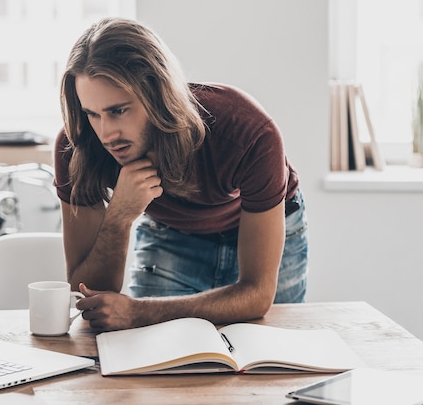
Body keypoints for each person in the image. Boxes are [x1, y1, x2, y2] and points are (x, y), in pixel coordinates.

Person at [53, 17, 308, 332]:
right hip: (172, 231)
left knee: (269, 355)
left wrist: (140, 312)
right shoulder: (77, 146)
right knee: (154, 355)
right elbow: (87, 292)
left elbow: (257, 294)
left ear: (157, 94)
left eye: (119, 111)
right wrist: (119, 217)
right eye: (93, 114)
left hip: (262, 222)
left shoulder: (247, 131)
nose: (106, 133)